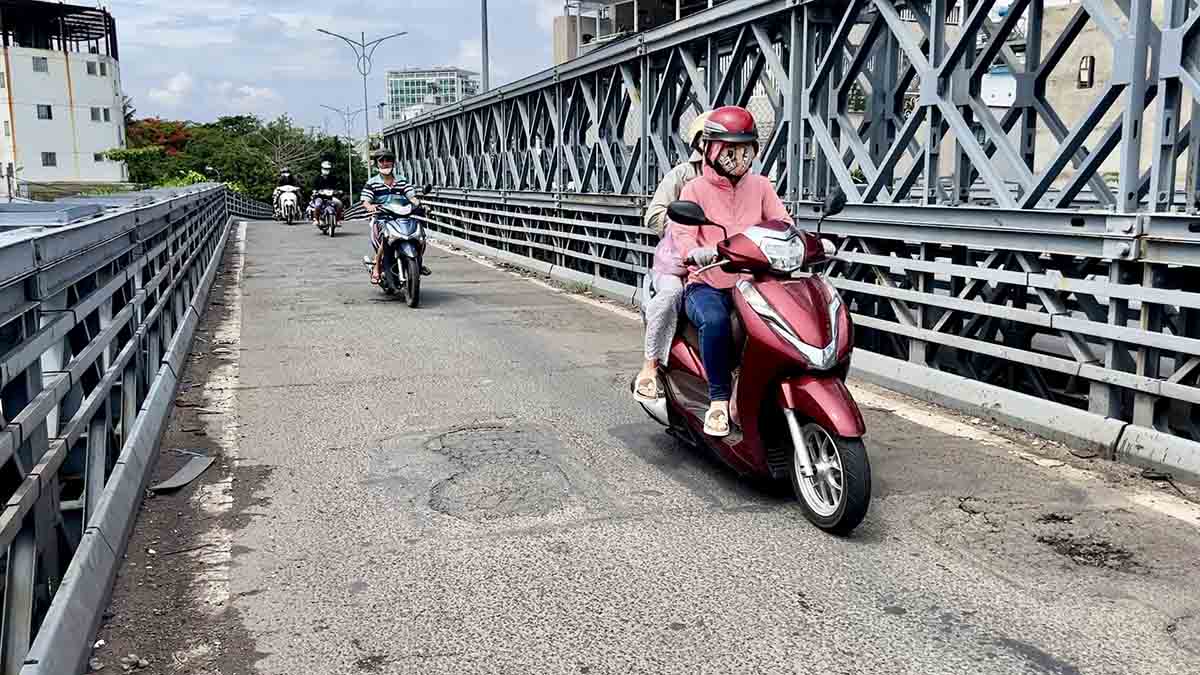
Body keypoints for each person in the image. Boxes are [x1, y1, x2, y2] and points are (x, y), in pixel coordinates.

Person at [672, 105, 792, 437]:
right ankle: (719, 401)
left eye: (744, 148)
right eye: (729, 148)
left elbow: (782, 222)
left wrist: (799, 241)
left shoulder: (762, 186)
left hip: (754, 282)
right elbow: (682, 234)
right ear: (710, 149)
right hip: (708, 283)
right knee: (715, 320)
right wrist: (694, 253)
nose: (737, 156)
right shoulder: (694, 190)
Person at [633, 110, 711, 403]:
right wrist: (685, 233)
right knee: (671, 296)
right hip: (679, 263)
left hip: (723, 262)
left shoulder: (743, 179)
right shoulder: (682, 175)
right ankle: (650, 366)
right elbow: (653, 215)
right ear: (700, 143)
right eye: (712, 139)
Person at [360, 150, 427, 284]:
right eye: (382, 161)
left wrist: (420, 205)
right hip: (382, 217)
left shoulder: (402, 180)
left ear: (393, 162)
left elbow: (411, 197)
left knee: (420, 235)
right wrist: (370, 207)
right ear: (377, 164)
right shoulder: (372, 183)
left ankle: (418, 262)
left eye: (388, 160)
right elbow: (365, 201)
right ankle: (377, 267)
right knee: (386, 238)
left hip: (402, 215)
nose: (385, 163)